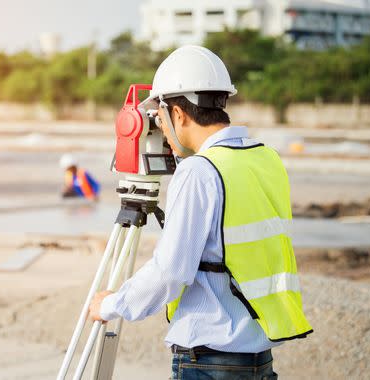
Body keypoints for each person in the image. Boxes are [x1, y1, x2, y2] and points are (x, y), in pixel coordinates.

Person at [87, 46, 312, 380]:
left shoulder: (199, 173)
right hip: (257, 357)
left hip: (210, 362)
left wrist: (110, 304)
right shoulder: (265, 158)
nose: (160, 128)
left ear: (178, 114)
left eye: (160, 118)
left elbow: (170, 273)